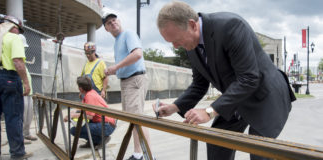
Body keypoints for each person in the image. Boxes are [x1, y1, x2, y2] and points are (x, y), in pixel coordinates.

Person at [155, 1, 296, 160]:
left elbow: (249, 78)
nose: (175, 46)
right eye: (171, 42)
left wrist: (209, 112)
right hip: (237, 99)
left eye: (176, 40)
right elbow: (199, 84)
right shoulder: (191, 46)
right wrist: (174, 107)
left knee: (260, 153)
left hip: (266, 97)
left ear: (192, 25)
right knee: (217, 143)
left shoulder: (231, 26)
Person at [103, 13, 151, 160]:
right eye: (109, 23)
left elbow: (137, 54)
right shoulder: (117, 41)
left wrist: (115, 67)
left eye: (114, 20)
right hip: (127, 80)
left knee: (137, 118)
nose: (113, 23)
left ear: (119, 20)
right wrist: (114, 71)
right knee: (134, 118)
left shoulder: (128, 34)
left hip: (134, 79)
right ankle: (143, 154)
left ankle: (141, 155)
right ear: (106, 28)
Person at [0, 15, 33, 159]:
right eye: (19, 29)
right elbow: (18, 61)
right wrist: (25, 82)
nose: (19, 32)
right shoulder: (14, 38)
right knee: (13, 117)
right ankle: (18, 152)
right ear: (13, 27)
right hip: (9, 78)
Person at [64, 76, 116, 149]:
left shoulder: (90, 96)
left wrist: (72, 115)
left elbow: (89, 115)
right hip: (106, 123)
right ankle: (93, 141)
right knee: (82, 126)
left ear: (80, 89)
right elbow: (83, 107)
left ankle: (100, 140)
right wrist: (74, 111)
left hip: (106, 126)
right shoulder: (91, 93)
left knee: (74, 130)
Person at [19, 34, 38, 145]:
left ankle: (26, 133)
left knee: (28, 115)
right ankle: (20, 135)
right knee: (21, 115)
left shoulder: (22, 59)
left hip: (28, 93)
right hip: (21, 92)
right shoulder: (16, 59)